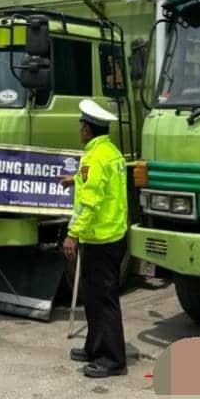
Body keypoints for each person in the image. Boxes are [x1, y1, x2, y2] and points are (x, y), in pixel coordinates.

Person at [61, 99, 129, 378]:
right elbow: (101, 186)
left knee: (104, 300)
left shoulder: (93, 158)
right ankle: (94, 347)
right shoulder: (111, 153)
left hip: (100, 239)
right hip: (113, 235)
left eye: (81, 125)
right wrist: (75, 179)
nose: (79, 129)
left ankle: (113, 359)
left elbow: (88, 202)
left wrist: (72, 234)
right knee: (93, 297)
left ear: (88, 129)